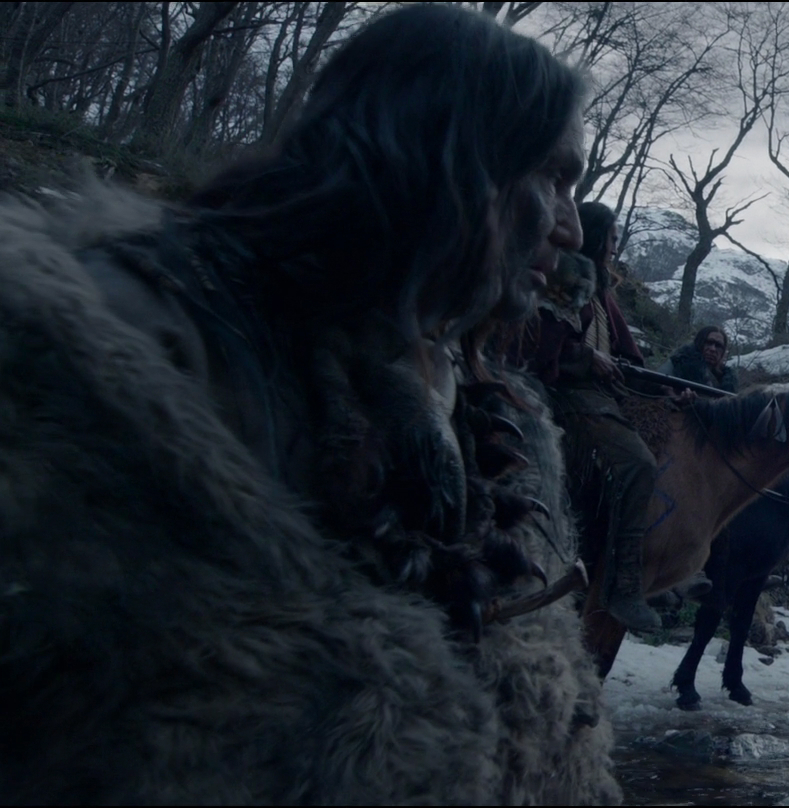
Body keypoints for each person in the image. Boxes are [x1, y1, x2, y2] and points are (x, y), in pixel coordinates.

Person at [0, 5, 617, 802]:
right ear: (449, 157)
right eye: (552, 177)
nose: (569, 228)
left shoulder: (485, 404)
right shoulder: (129, 343)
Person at [509, 201, 671, 640]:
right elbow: (537, 343)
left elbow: (628, 358)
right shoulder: (565, 277)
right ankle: (623, 585)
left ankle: (659, 566)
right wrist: (585, 356)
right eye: (612, 238)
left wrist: (670, 393)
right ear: (597, 236)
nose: (616, 247)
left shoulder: (601, 290)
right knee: (638, 464)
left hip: (602, 397)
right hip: (568, 395)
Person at [671, 324, 739, 393]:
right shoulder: (677, 365)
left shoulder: (726, 380)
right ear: (699, 343)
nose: (713, 349)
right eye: (709, 343)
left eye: (718, 345)